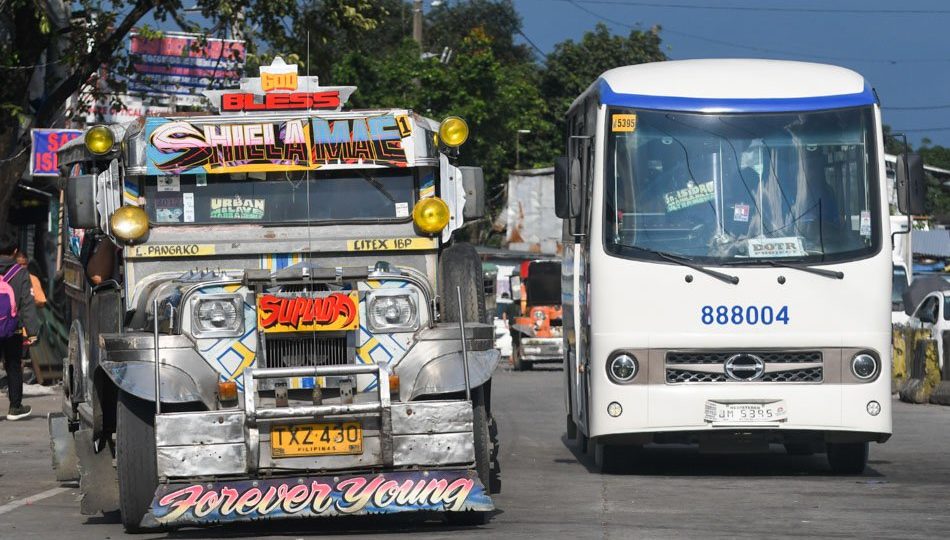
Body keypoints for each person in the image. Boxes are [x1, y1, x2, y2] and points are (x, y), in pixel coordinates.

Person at [0, 233, 41, 420]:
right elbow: (27, 303)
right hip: (12, 328)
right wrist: (32, 331)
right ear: (15, 252)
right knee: (14, 365)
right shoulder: (20, 273)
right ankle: (15, 408)